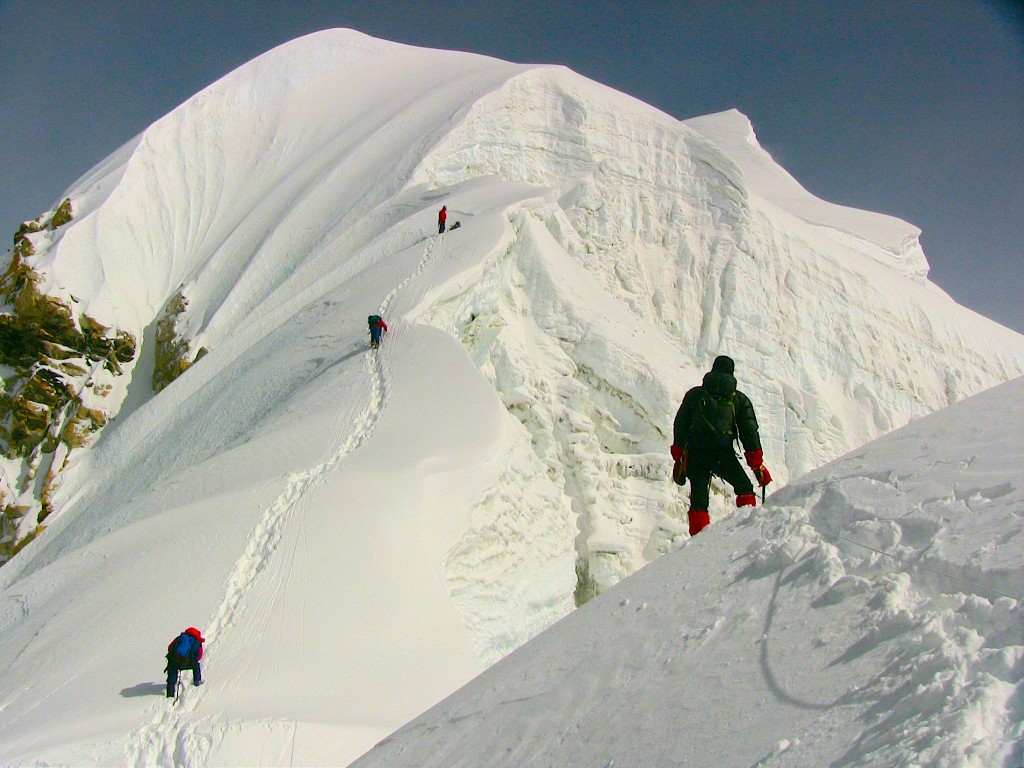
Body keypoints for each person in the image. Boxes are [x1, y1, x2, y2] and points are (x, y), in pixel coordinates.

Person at [671, 355, 772, 536]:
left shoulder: (695, 395)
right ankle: (745, 532)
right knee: (744, 488)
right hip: (723, 454)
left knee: (699, 500)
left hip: (696, 453)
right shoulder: (739, 400)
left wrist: (679, 454)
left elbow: (681, 424)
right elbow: (749, 434)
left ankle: (697, 541)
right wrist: (757, 465)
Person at [165, 627, 204, 698]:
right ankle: (197, 681)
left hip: (174, 661)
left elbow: (170, 647)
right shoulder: (196, 642)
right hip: (186, 663)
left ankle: (170, 694)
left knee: (172, 672)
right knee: (196, 665)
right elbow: (199, 656)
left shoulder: (180, 638)